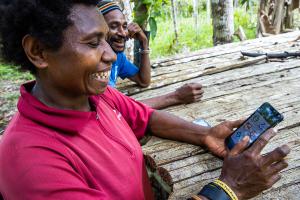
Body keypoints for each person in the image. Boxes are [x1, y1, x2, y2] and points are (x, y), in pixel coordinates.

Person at [0, 1, 290, 200]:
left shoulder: (95, 96)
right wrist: (229, 189)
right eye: (92, 42)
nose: (111, 55)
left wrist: (205, 134)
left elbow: (146, 117)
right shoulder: (31, 161)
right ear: (38, 51)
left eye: (106, 39)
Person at [97, 0, 204, 110]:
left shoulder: (117, 57)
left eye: (124, 26)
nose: (123, 33)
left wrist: (144, 43)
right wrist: (177, 97)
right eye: (113, 26)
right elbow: (115, 109)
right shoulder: (94, 64)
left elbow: (143, 80)